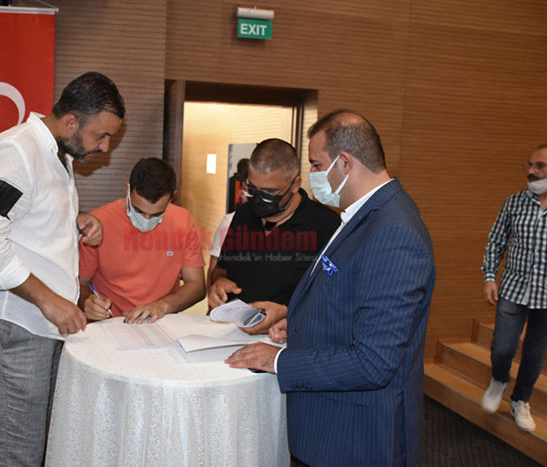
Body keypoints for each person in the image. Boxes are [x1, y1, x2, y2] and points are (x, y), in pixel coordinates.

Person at [225, 110, 435, 467]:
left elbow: (373, 362)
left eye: (316, 164)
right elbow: (349, 300)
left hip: (356, 437)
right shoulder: (361, 215)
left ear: (345, 163)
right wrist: (300, 324)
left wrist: (277, 359)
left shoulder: (393, 232)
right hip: (330, 428)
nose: (312, 174)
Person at [0, 72, 124, 467]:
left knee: (36, 438)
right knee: (18, 450)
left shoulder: (56, 153)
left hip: (35, 323)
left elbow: (23, 218)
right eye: (101, 136)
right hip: (11, 323)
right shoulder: (17, 152)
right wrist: (49, 300)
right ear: (71, 122)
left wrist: (75, 221)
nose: (105, 146)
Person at [208, 138, 339, 333]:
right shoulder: (244, 214)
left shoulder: (326, 225)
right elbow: (221, 269)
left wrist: (287, 312)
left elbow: (335, 296)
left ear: (295, 184)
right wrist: (219, 282)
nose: (259, 199)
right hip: (232, 333)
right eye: (253, 189)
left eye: (269, 192)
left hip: (287, 337)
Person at [80, 158, 206, 324]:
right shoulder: (98, 224)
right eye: (138, 211)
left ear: (173, 197)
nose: (146, 220)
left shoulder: (183, 221)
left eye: (157, 214)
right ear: (128, 189)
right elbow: (78, 284)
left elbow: (197, 286)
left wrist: (162, 306)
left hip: (160, 322)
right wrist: (87, 303)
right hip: (111, 324)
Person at [480, 143, 547, 433]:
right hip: (513, 291)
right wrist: (489, 278)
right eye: (530, 165)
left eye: (540, 166)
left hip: (546, 297)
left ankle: (521, 400)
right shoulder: (515, 202)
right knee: (502, 347)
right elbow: (496, 241)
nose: (532, 171)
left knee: (535, 353)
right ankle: (499, 380)